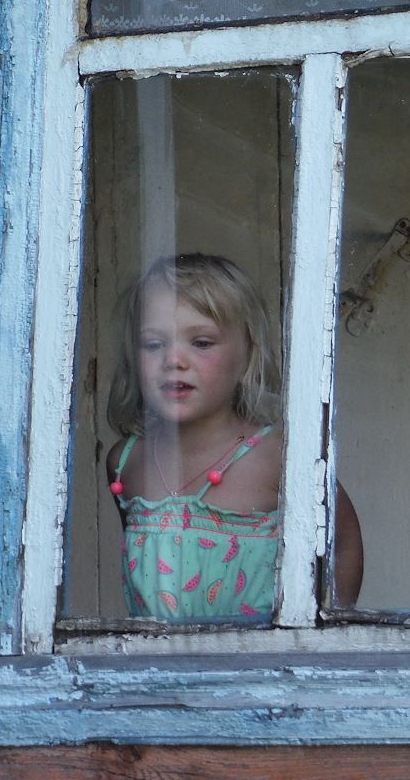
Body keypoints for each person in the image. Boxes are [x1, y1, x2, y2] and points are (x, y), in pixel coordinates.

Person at [106, 253, 363, 622]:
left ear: (247, 358)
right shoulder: (126, 462)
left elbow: (343, 543)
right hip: (156, 657)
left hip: (259, 658)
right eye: (153, 344)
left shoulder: (278, 458)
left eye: (201, 342)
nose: (174, 360)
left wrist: (325, 626)